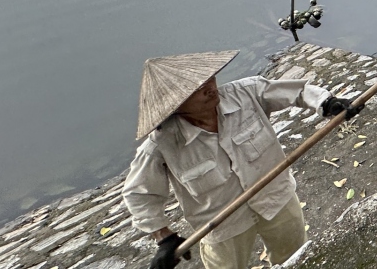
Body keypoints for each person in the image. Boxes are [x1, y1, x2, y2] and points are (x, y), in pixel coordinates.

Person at [122, 51, 361, 269]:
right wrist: (163, 237)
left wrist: (327, 103)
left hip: (276, 198)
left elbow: (297, 92)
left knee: (297, 259)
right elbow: (139, 194)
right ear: (174, 105)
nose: (210, 88)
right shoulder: (161, 145)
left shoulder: (246, 93)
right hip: (222, 226)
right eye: (197, 88)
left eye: (209, 78)